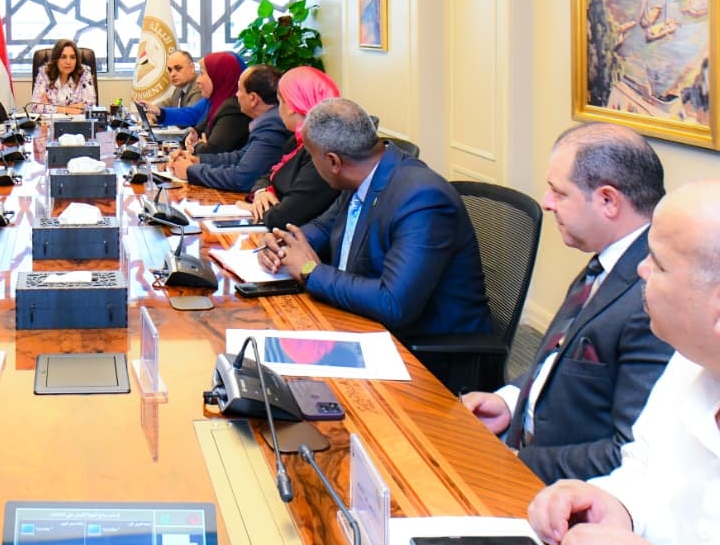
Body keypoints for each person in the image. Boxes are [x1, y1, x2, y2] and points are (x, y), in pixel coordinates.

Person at [527, 178, 720, 545]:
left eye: (658, 263)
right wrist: (615, 503)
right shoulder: (691, 362)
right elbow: (645, 469)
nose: (640, 270)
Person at [463, 123, 672, 483]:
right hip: (519, 440)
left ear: (608, 201)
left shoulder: (650, 297)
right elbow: (560, 355)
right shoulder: (609, 260)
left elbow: (628, 452)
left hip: (554, 482)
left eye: (559, 193)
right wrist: (509, 402)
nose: (546, 202)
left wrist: (518, 462)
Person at [259, 98, 490, 341]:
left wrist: (310, 271)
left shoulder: (422, 198)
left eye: (312, 157)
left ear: (333, 162)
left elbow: (393, 303)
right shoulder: (360, 175)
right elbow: (323, 228)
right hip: (361, 322)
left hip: (422, 348)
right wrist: (282, 245)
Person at [246, 66, 342, 231]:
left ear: (291, 106)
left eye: (280, 102)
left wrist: (257, 209)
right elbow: (267, 175)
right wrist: (261, 192)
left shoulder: (322, 152)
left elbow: (285, 217)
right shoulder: (296, 141)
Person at [167, 65, 289, 192]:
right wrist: (198, 160)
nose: (236, 94)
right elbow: (240, 156)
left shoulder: (272, 126)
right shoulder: (268, 121)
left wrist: (190, 171)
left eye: (240, 90)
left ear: (253, 98)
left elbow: (241, 179)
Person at [143, 51, 249, 155]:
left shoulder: (232, 109)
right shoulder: (212, 101)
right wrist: (194, 136)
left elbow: (210, 151)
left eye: (202, 74)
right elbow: (196, 123)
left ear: (219, 76)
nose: (199, 80)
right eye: (170, 70)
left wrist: (197, 145)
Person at [29, 38, 97, 114]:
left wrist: (49, 107)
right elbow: (35, 107)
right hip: (50, 121)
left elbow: (90, 105)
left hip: (78, 121)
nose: (68, 62)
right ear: (56, 59)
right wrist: (68, 109)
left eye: (72, 57)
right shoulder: (44, 73)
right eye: (63, 57)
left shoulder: (84, 73)